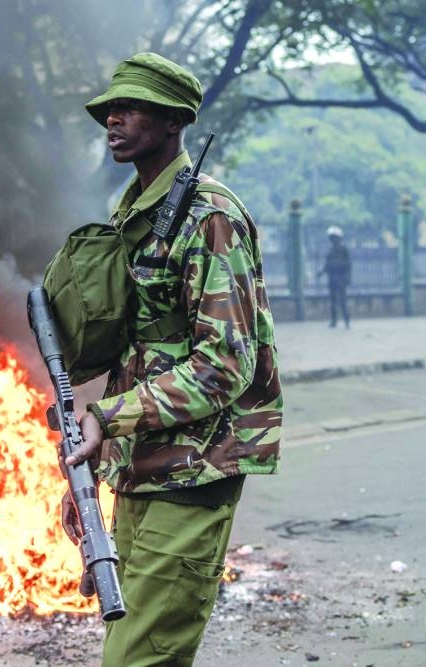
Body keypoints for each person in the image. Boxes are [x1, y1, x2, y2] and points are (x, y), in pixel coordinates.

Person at [58, 53, 283, 666]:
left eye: (130, 109)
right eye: (110, 110)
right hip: (139, 468)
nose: (113, 120)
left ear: (173, 122)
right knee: (134, 649)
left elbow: (224, 364)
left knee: (138, 660)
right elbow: (139, 350)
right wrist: (98, 448)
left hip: (193, 471)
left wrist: (111, 416)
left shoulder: (210, 217)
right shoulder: (136, 214)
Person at [317, 225, 351, 328]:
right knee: (333, 301)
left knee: (342, 301)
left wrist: (348, 278)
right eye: (331, 238)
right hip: (332, 278)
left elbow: (348, 265)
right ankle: (334, 321)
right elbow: (327, 264)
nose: (333, 240)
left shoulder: (344, 250)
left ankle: (346, 320)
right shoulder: (330, 250)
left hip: (341, 278)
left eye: (334, 238)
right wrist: (321, 272)